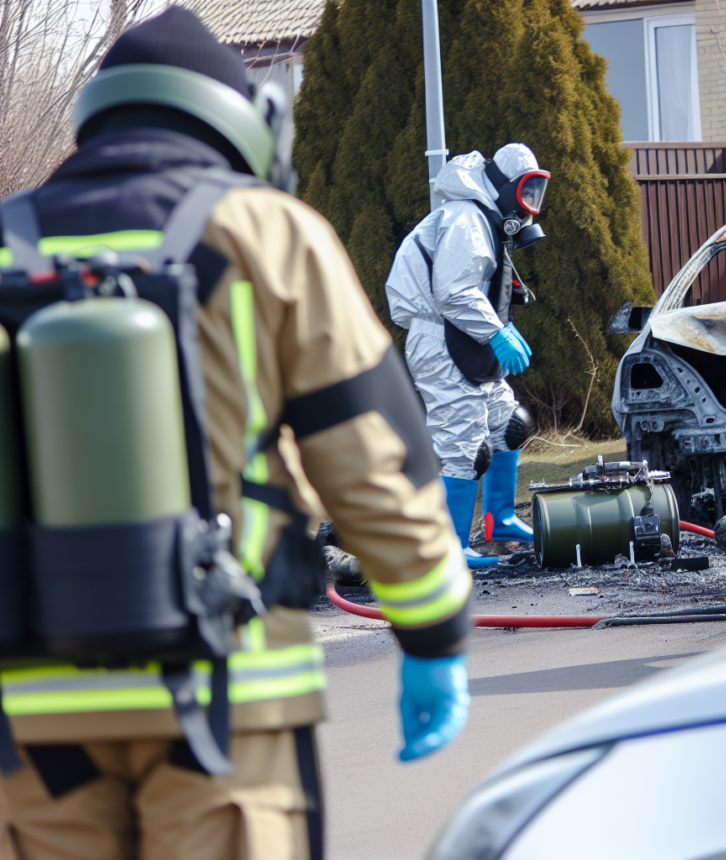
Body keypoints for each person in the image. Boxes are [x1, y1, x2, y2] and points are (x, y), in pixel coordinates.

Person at [0, 8, 471, 860]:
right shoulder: (268, 233)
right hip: (228, 696)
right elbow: (372, 457)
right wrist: (432, 630)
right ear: (240, 122)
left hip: (32, 720)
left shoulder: (7, 244)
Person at [386, 145, 550, 567]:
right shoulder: (467, 218)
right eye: (526, 191)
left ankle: (500, 520)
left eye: (538, 191)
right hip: (440, 339)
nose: (531, 204)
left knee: (508, 425)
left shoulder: (486, 220)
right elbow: (454, 292)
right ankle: (450, 548)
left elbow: (477, 286)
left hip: (466, 337)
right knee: (463, 446)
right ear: (503, 185)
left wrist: (499, 321)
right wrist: (496, 333)